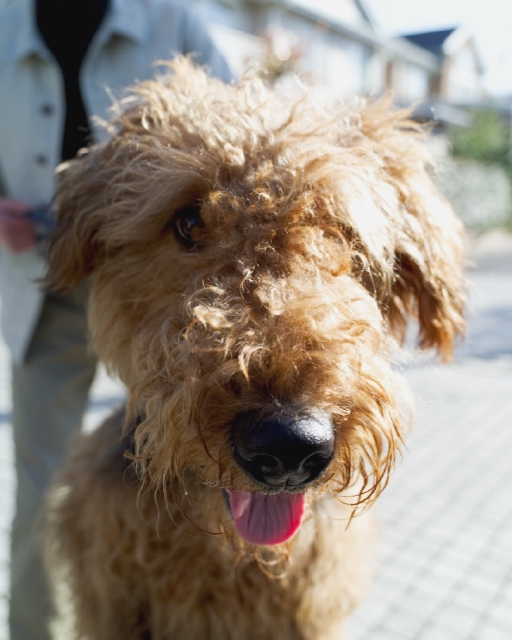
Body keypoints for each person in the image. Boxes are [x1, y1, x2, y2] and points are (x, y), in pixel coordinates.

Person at [0, 1, 231, 638]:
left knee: (193, 471)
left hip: (165, 289)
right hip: (39, 287)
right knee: (42, 486)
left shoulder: (177, 22)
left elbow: (245, 142)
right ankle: (35, 629)